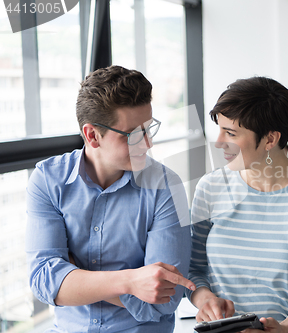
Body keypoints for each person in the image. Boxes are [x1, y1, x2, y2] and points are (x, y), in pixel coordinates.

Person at [25, 65, 196, 333]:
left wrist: (75, 278)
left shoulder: (166, 185)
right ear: (93, 135)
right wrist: (131, 281)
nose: (148, 144)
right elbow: (45, 283)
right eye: (133, 135)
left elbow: (165, 300)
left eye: (148, 129)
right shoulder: (48, 180)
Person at [186, 77, 288, 333]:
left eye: (231, 133)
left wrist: (287, 328)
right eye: (220, 129)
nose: (218, 142)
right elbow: (194, 269)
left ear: (270, 140)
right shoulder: (210, 187)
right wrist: (205, 301)